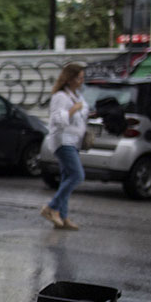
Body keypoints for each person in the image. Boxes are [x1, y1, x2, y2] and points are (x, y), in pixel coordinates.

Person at [41, 63, 89, 230]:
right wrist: (72, 111)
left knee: (67, 177)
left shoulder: (76, 95)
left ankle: (62, 217)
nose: (81, 80)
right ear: (69, 79)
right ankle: (51, 207)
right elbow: (55, 119)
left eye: (82, 77)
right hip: (63, 141)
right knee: (77, 175)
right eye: (79, 77)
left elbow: (82, 115)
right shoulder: (60, 97)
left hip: (73, 141)